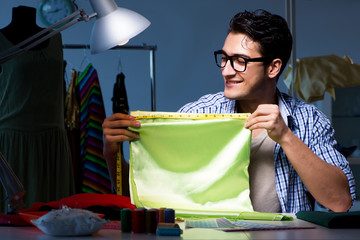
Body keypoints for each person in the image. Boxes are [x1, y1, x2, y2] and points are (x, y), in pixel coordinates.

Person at [102, 9, 356, 213]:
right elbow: (146, 200)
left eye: (240, 61)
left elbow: (340, 202)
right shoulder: (196, 115)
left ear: (273, 68)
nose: (226, 70)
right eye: (224, 58)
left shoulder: (308, 121)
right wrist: (112, 153)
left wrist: (286, 137)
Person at [0, 6, 75, 212]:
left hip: (53, 145)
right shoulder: (1, 41)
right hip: (12, 148)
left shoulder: (56, 39)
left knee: (56, 219)